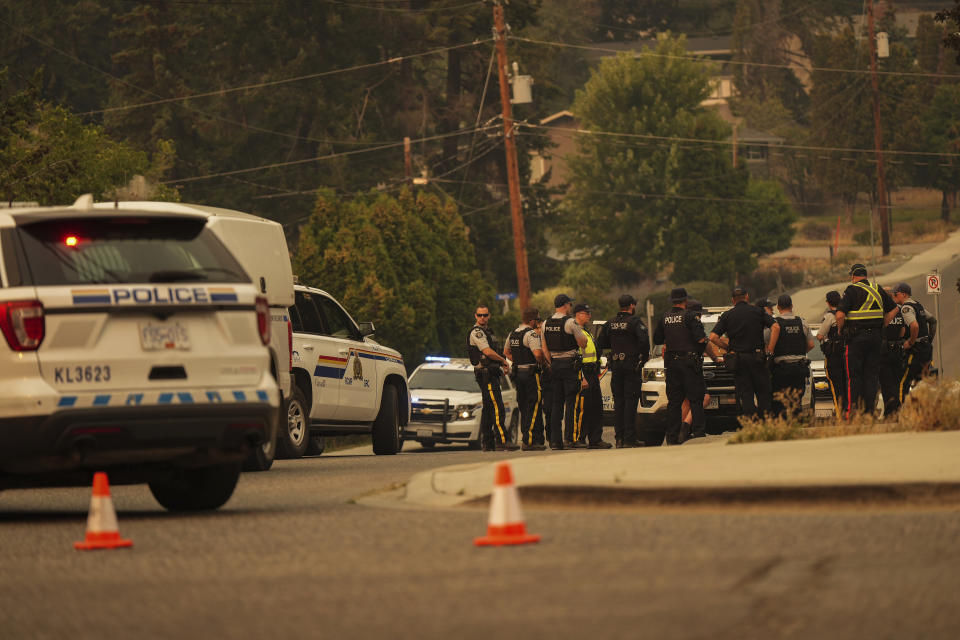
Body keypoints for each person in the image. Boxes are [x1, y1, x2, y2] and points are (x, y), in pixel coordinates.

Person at [834, 264, 899, 418]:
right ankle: (868, 412)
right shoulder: (877, 288)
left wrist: (840, 330)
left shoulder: (851, 290)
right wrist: (883, 323)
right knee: (871, 376)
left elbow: (839, 315)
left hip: (856, 339)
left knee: (853, 376)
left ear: (853, 276)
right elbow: (894, 308)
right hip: (876, 338)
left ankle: (852, 412)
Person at [709, 286, 775, 421]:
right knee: (763, 391)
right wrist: (770, 349)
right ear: (747, 297)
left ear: (733, 300)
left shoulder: (727, 315)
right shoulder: (758, 311)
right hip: (757, 357)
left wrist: (728, 348)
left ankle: (751, 424)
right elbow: (776, 327)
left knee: (746, 394)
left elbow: (713, 337)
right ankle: (764, 423)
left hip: (739, 360)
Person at [653, 288, 707, 444]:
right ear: (685, 301)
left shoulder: (664, 317)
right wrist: (697, 352)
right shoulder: (690, 316)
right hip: (689, 363)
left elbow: (657, 338)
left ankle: (672, 437)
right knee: (696, 399)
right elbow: (701, 340)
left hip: (672, 365)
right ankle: (698, 433)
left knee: (674, 402)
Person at [596, 294, 649, 448]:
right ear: (632, 305)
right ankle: (629, 439)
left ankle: (619, 439)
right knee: (630, 403)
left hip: (616, 367)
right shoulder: (634, 322)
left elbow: (601, 342)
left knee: (618, 403)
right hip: (631, 367)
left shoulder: (610, 323)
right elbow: (644, 341)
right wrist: (643, 359)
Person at [467, 305, 518, 451]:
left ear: (489, 316)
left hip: (491, 372)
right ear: (475, 316)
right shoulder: (476, 333)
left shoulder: (488, 332)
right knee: (497, 407)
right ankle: (502, 440)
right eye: (479, 315)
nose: (482, 318)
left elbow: (495, 352)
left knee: (489, 408)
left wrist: (503, 363)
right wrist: (503, 361)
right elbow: (487, 352)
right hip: (486, 374)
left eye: (485, 315)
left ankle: (487, 442)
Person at [541, 293, 587, 449]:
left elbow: (544, 349)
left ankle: (555, 441)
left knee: (556, 404)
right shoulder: (570, 322)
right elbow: (583, 343)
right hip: (569, 366)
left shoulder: (545, 323)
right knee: (571, 403)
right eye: (570, 305)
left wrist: (550, 363)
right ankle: (570, 438)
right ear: (566, 305)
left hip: (554, 365)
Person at [504, 308, 547, 451]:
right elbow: (538, 354)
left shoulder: (513, 333)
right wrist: (543, 363)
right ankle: (528, 441)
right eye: (537, 320)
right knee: (533, 406)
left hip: (518, 374)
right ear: (532, 321)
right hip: (531, 374)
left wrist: (518, 360)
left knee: (524, 407)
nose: (538, 322)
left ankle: (528, 438)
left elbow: (506, 352)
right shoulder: (531, 334)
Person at [766, 294, 815, 417]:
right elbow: (811, 344)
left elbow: (767, 344)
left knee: (780, 400)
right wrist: (798, 351)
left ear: (778, 307)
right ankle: (795, 423)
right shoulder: (802, 322)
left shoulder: (774, 324)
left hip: (781, 369)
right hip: (799, 368)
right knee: (796, 400)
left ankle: (783, 425)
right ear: (792, 306)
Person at [571, 304, 613, 449]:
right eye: (586, 313)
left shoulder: (586, 332)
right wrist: (581, 376)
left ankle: (595, 439)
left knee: (596, 407)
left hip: (593, 372)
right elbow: (575, 357)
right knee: (584, 409)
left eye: (589, 313)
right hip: (584, 373)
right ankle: (580, 438)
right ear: (577, 314)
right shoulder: (574, 331)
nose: (589, 316)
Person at [892, 282, 934, 405]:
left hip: (915, 351)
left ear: (904, 294)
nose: (894, 296)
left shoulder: (906, 308)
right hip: (926, 349)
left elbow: (914, 325)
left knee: (903, 382)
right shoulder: (918, 306)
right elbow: (933, 321)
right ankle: (924, 411)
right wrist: (928, 338)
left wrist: (911, 342)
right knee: (922, 383)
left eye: (896, 294)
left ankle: (901, 413)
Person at [681, 299, 716, 436]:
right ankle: (685, 427)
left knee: (685, 401)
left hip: (676, 366)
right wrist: (714, 357)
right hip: (691, 366)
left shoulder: (678, 323)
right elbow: (703, 341)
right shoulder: (695, 322)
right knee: (704, 397)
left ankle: (681, 430)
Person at [816, 290, 847, 418]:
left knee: (836, 387)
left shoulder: (829, 316)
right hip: (847, 354)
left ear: (828, 303)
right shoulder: (847, 313)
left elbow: (819, 335)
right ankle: (851, 412)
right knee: (847, 385)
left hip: (834, 356)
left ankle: (841, 414)